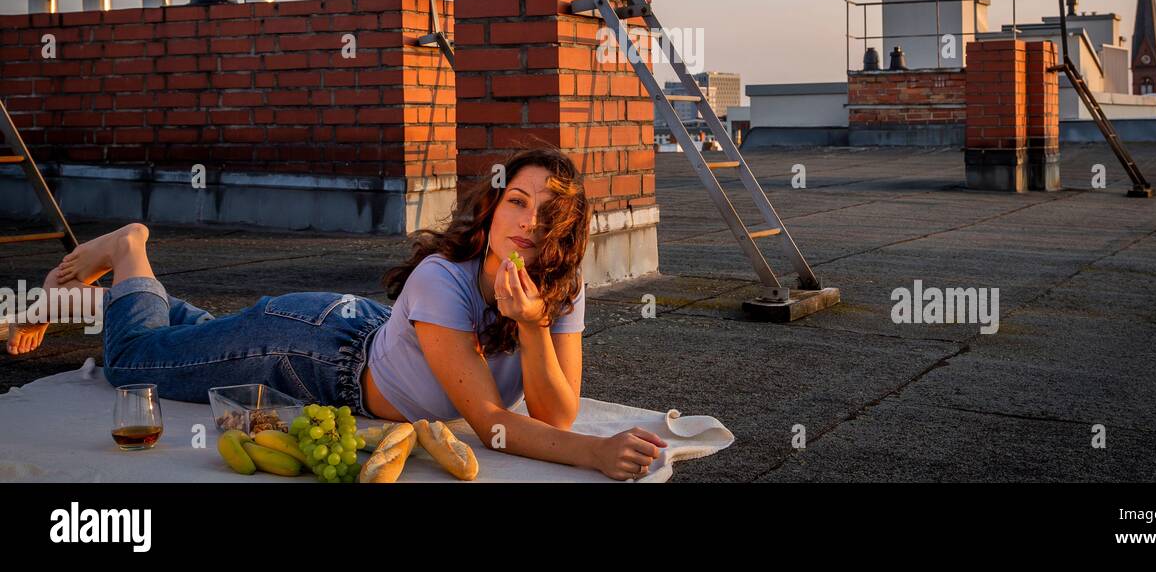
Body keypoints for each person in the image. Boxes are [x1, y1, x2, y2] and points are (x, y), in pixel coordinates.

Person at [13, 146, 666, 481]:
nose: (527, 221)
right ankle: (129, 251)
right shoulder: (444, 281)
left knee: (200, 339)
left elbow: (557, 412)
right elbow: (491, 421)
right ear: (493, 207)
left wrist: (531, 324)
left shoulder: (562, 288)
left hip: (347, 331)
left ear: (566, 229)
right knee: (132, 365)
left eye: (546, 212)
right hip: (309, 354)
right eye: (516, 201)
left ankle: (155, 300)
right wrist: (592, 456)